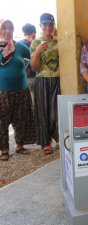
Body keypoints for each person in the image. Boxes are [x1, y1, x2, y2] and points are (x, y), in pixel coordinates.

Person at [0, 19, 35, 161]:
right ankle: (4, 150)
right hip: (2, 92)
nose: (8, 31)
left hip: (21, 89)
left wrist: (26, 71)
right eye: (4, 28)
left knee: (21, 119)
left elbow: (33, 59)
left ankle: (19, 145)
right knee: (1, 122)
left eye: (10, 28)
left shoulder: (20, 47)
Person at [30, 13, 60, 155]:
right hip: (41, 80)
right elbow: (34, 67)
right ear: (40, 25)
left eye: (51, 24)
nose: (48, 27)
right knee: (42, 112)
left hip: (56, 79)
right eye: (45, 24)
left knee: (56, 113)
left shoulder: (58, 41)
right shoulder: (36, 42)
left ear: (54, 25)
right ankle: (45, 142)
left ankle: (58, 137)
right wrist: (37, 52)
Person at [18, 23, 36, 100]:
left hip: (36, 76)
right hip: (26, 77)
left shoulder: (37, 43)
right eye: (29, 36)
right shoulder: (20, 45)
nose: (31, 38)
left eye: (33, 36)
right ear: (25, 35)